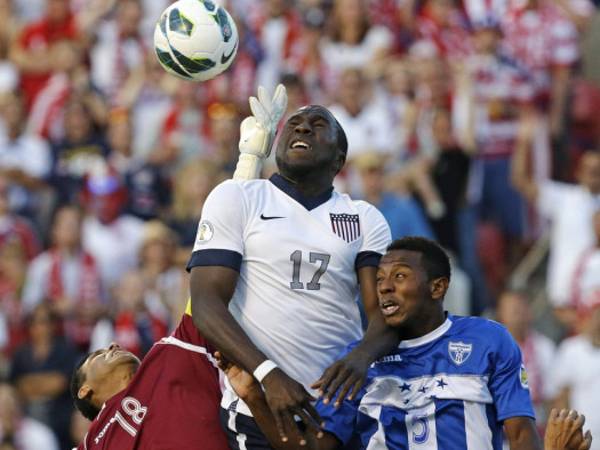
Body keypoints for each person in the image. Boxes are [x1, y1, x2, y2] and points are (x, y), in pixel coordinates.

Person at [189, 96, 398, 446]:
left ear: (339, 159)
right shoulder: (237, 197)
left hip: (337, 410)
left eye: (319, 126)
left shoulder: (364, 217)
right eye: (294, 124)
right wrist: (267, 374)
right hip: (256, 404)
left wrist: (362, 356)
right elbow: (206, 302)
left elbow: (386, 312)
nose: (302, 127)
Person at [219, 236, 547, 449]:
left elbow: (520, 434)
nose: (385, 287)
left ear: (437, 288)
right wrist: (253, 397)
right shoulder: (354, 364)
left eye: (400, 276)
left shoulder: (488, 340)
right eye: (379, 280)